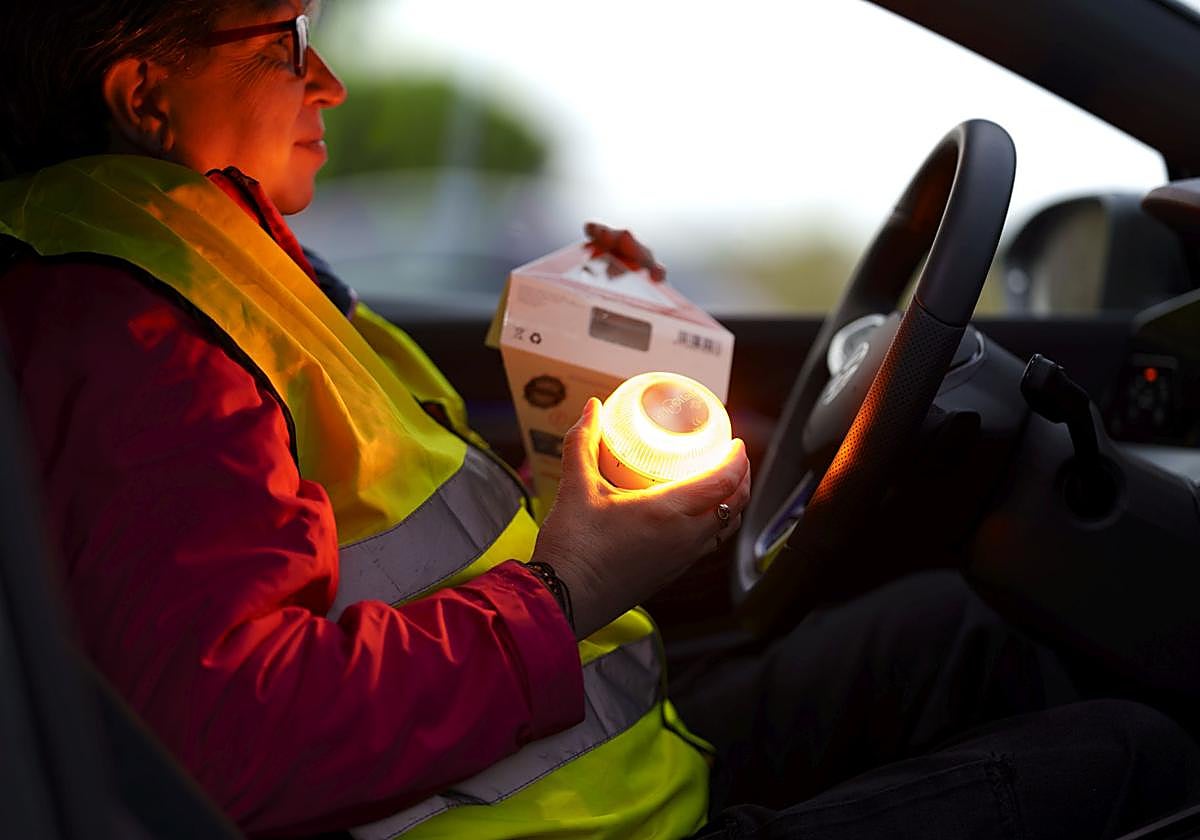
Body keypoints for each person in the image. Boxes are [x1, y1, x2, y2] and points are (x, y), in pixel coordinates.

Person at [0, 2, 1196, 839]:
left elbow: (379, 542)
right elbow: (226, 737)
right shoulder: (125, 326)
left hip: (577, 767)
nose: (330, 80)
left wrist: (571, 479)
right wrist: (570, 580)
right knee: (1146, 758)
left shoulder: (214, 252)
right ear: (144, 94)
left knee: (960, 628)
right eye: (284, 39)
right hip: (545, 823)